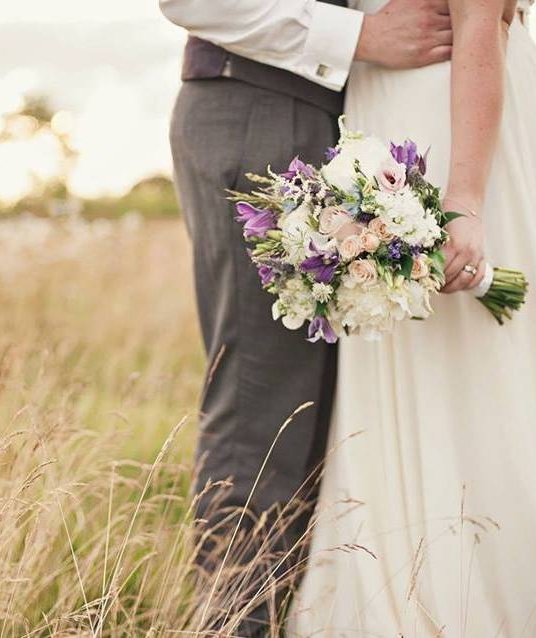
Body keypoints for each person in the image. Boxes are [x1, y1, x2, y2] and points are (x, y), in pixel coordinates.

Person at [288, 0, 536, 635]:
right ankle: (411, 578)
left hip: (460, 130)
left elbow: (477, 24)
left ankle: (512, 591)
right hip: (388, 119)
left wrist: (464, 198)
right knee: (423, 363)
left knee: (496, 365)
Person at [160, 0, 455, 634]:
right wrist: (361, 34)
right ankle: (235, 627)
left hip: (329, 118)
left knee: (316, 420)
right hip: (258, 108)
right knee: (261, 410)